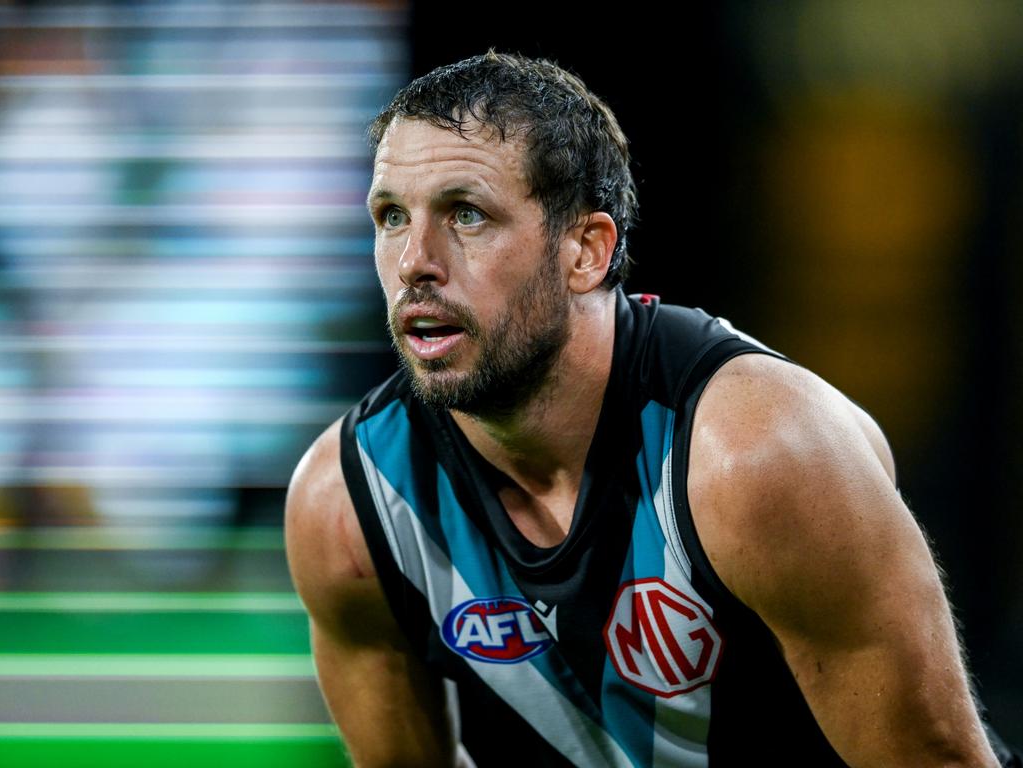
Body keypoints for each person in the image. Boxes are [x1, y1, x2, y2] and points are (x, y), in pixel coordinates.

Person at [285, 51, 1018, 767]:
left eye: (467, 214)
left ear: (586, 251)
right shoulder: (346, 511)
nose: (414, 261)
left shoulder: (756, 456)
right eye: (390, 217)